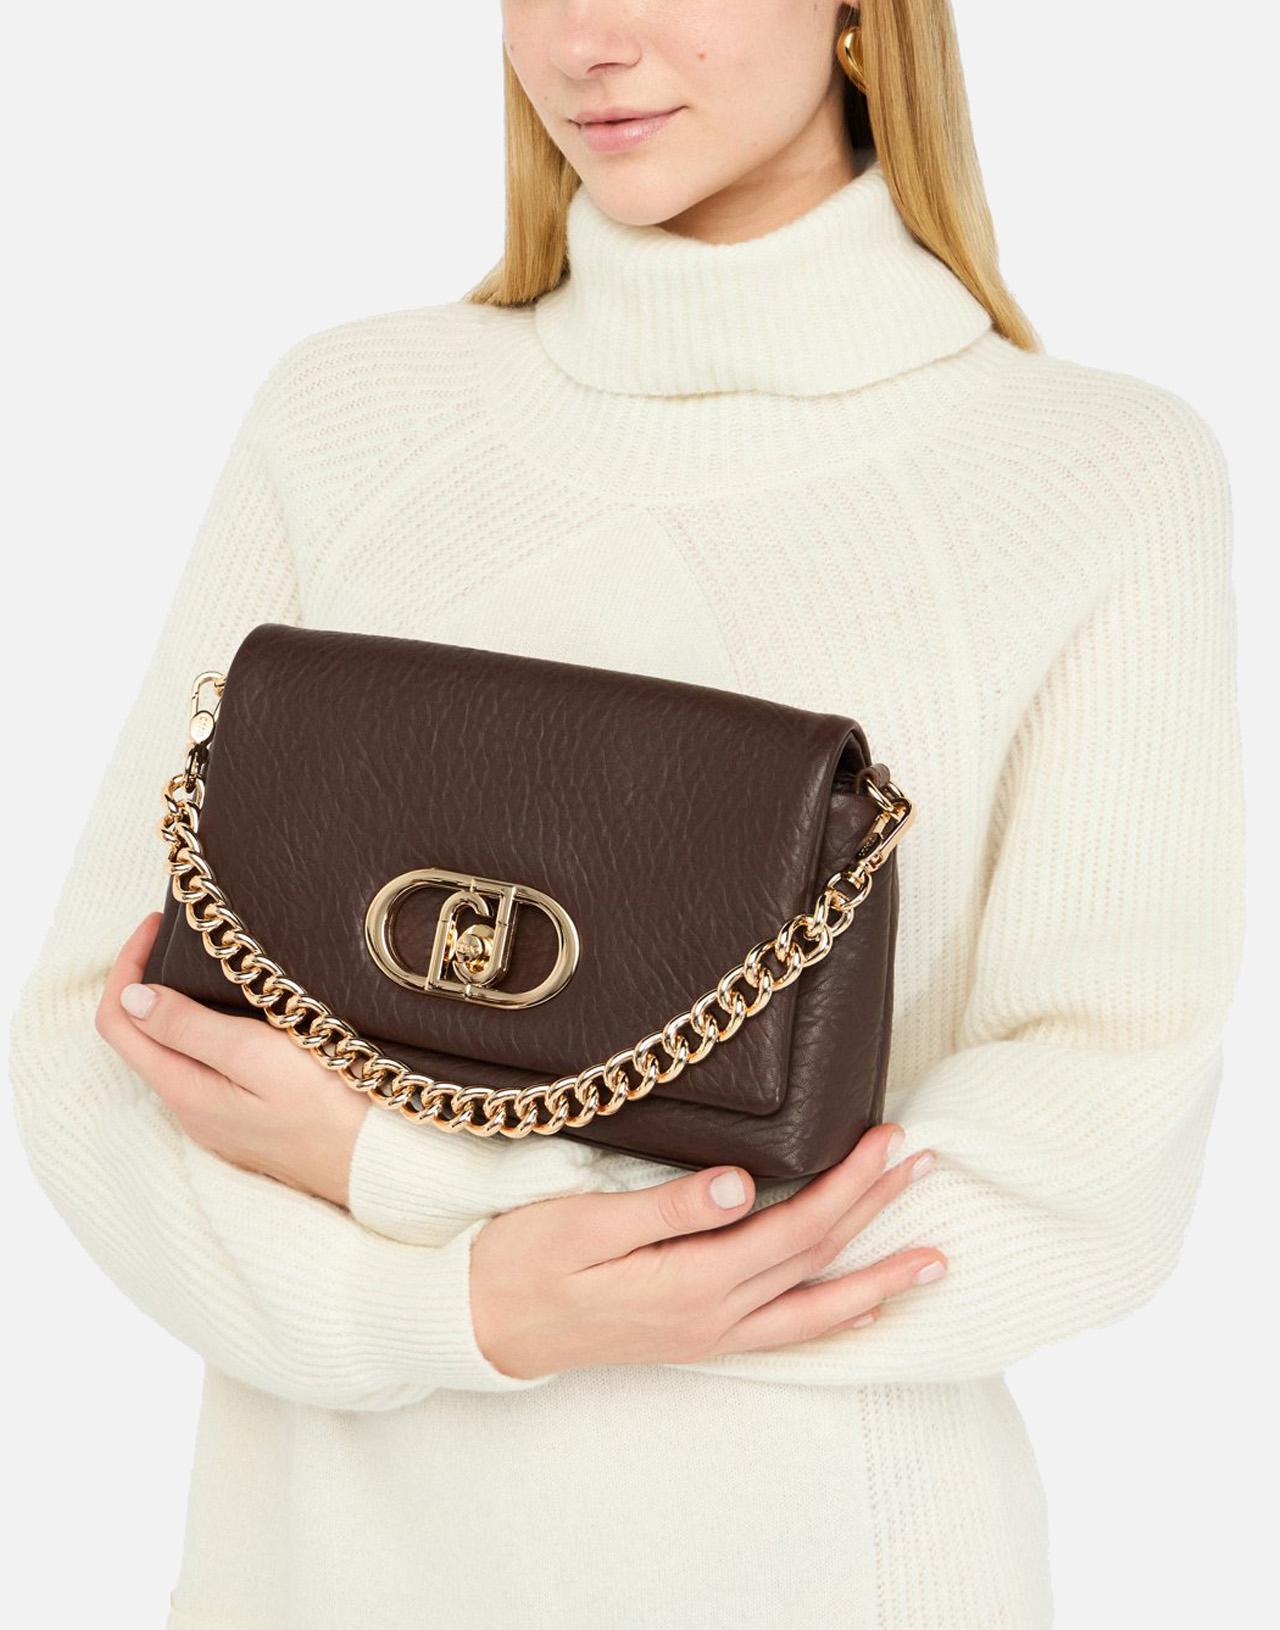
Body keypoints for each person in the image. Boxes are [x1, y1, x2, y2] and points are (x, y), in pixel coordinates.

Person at [8, 3, 1246, 1627]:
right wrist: (459, 1309)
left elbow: (1084, 1166)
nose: (587, 41)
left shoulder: (1089, 475)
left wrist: (412, 1184)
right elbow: (96, 1040)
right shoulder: (351, 416)